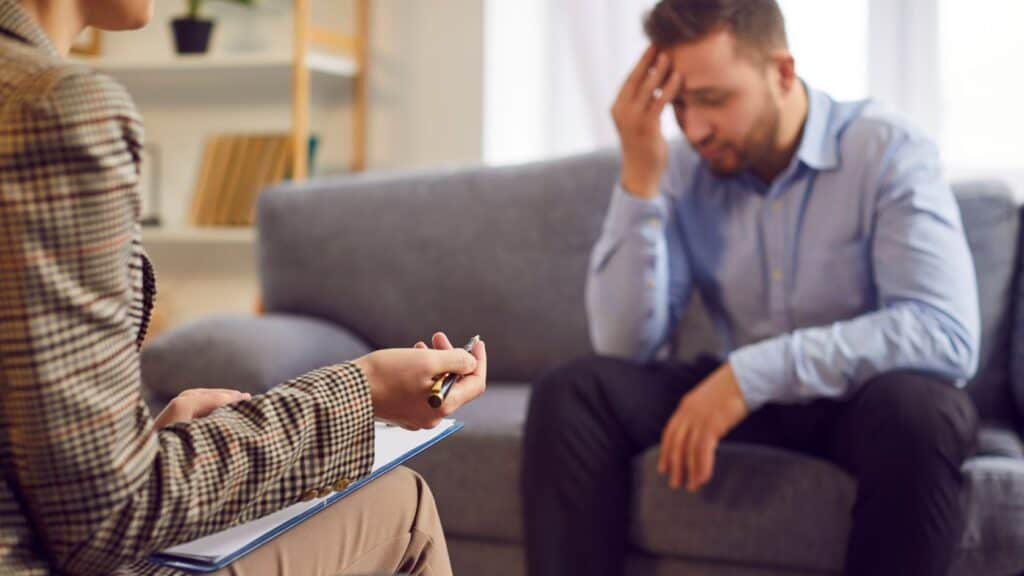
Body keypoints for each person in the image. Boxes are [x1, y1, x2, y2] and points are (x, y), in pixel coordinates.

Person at [0, 1, 487, 574]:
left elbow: (65, 475)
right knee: (401, 505)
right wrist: (364, 391)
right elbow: (107, 519)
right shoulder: (50, 108)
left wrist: (147, 445)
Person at [522, 1, 979, 575]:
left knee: (921, 413)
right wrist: (640, 176)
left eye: (712, 99)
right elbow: (623, 346)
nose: (694, 128)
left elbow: (944, 333)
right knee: (574, 393)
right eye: (678, 105)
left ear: (782, 72)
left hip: (860, 404)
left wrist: (752, 374)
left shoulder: (888, 150)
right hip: (748, 404)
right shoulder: (684, 168)